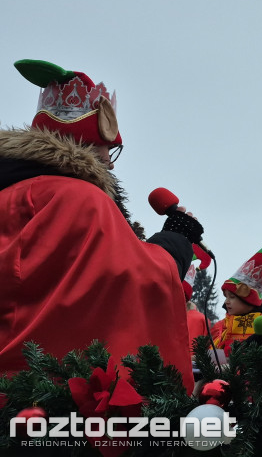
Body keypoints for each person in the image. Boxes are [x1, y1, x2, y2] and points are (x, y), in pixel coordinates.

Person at [0, 59, 197, 389]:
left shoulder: (11, 194)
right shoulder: (78, 199)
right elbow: (132, 280)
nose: (110, 163)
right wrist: (176, 240)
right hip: (52, 399)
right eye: (108, 151)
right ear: (85, 148)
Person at [211, 241, 262, 355]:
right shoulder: (223, 325)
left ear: (249, 300)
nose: (226, 302)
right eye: (226, 296)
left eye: (232, 297)